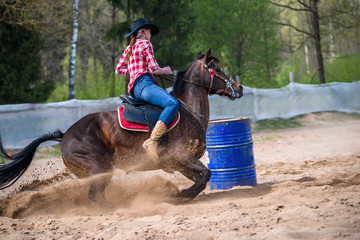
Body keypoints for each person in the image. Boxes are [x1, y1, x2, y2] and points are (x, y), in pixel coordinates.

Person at [115, 18, 179, 163]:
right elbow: (154, 69)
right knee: (172, 104)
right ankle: (153, 140)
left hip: (135, 90)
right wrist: (166, 70)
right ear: (144, 31)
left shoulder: (129, 48)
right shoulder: (145, 43)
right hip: (145, 85)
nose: (151, 34)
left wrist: (133, 71)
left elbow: (118, 69)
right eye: (150, 30)